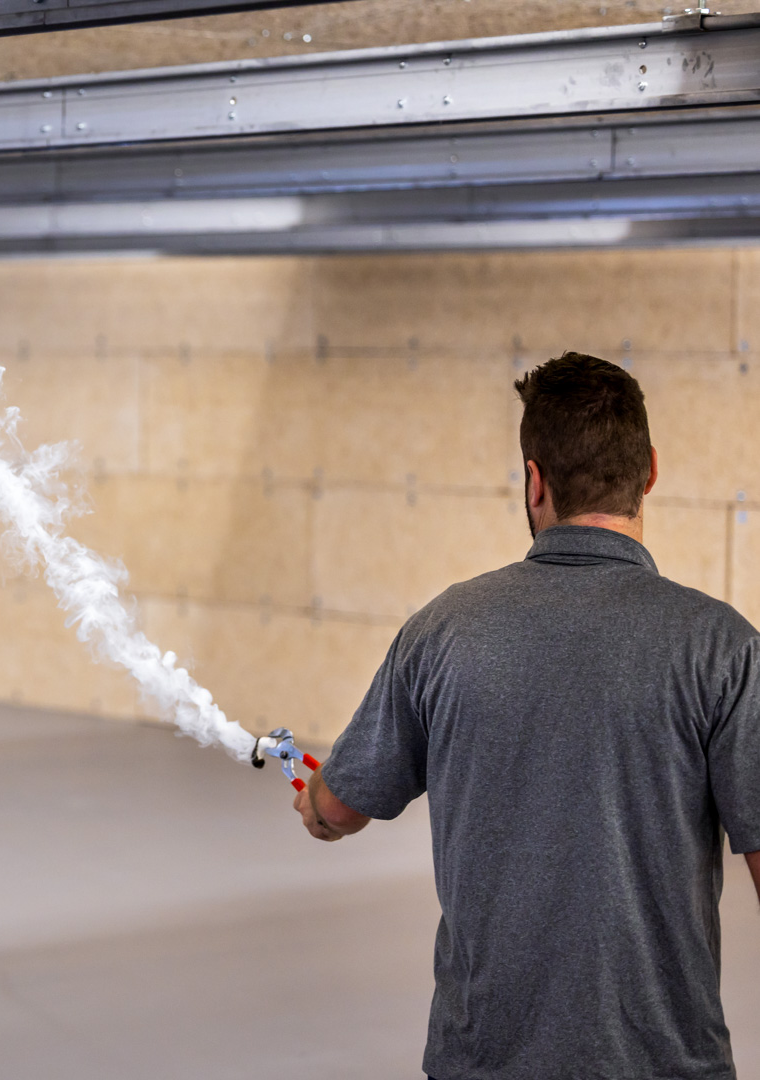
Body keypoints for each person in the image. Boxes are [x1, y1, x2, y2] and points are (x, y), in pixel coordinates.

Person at [295, 352, 760, 1080]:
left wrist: (315, 801)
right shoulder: (723, 647)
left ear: (535, 480)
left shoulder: (443, 630)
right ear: (650, 473)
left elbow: (340, 807)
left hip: (483, 1062)